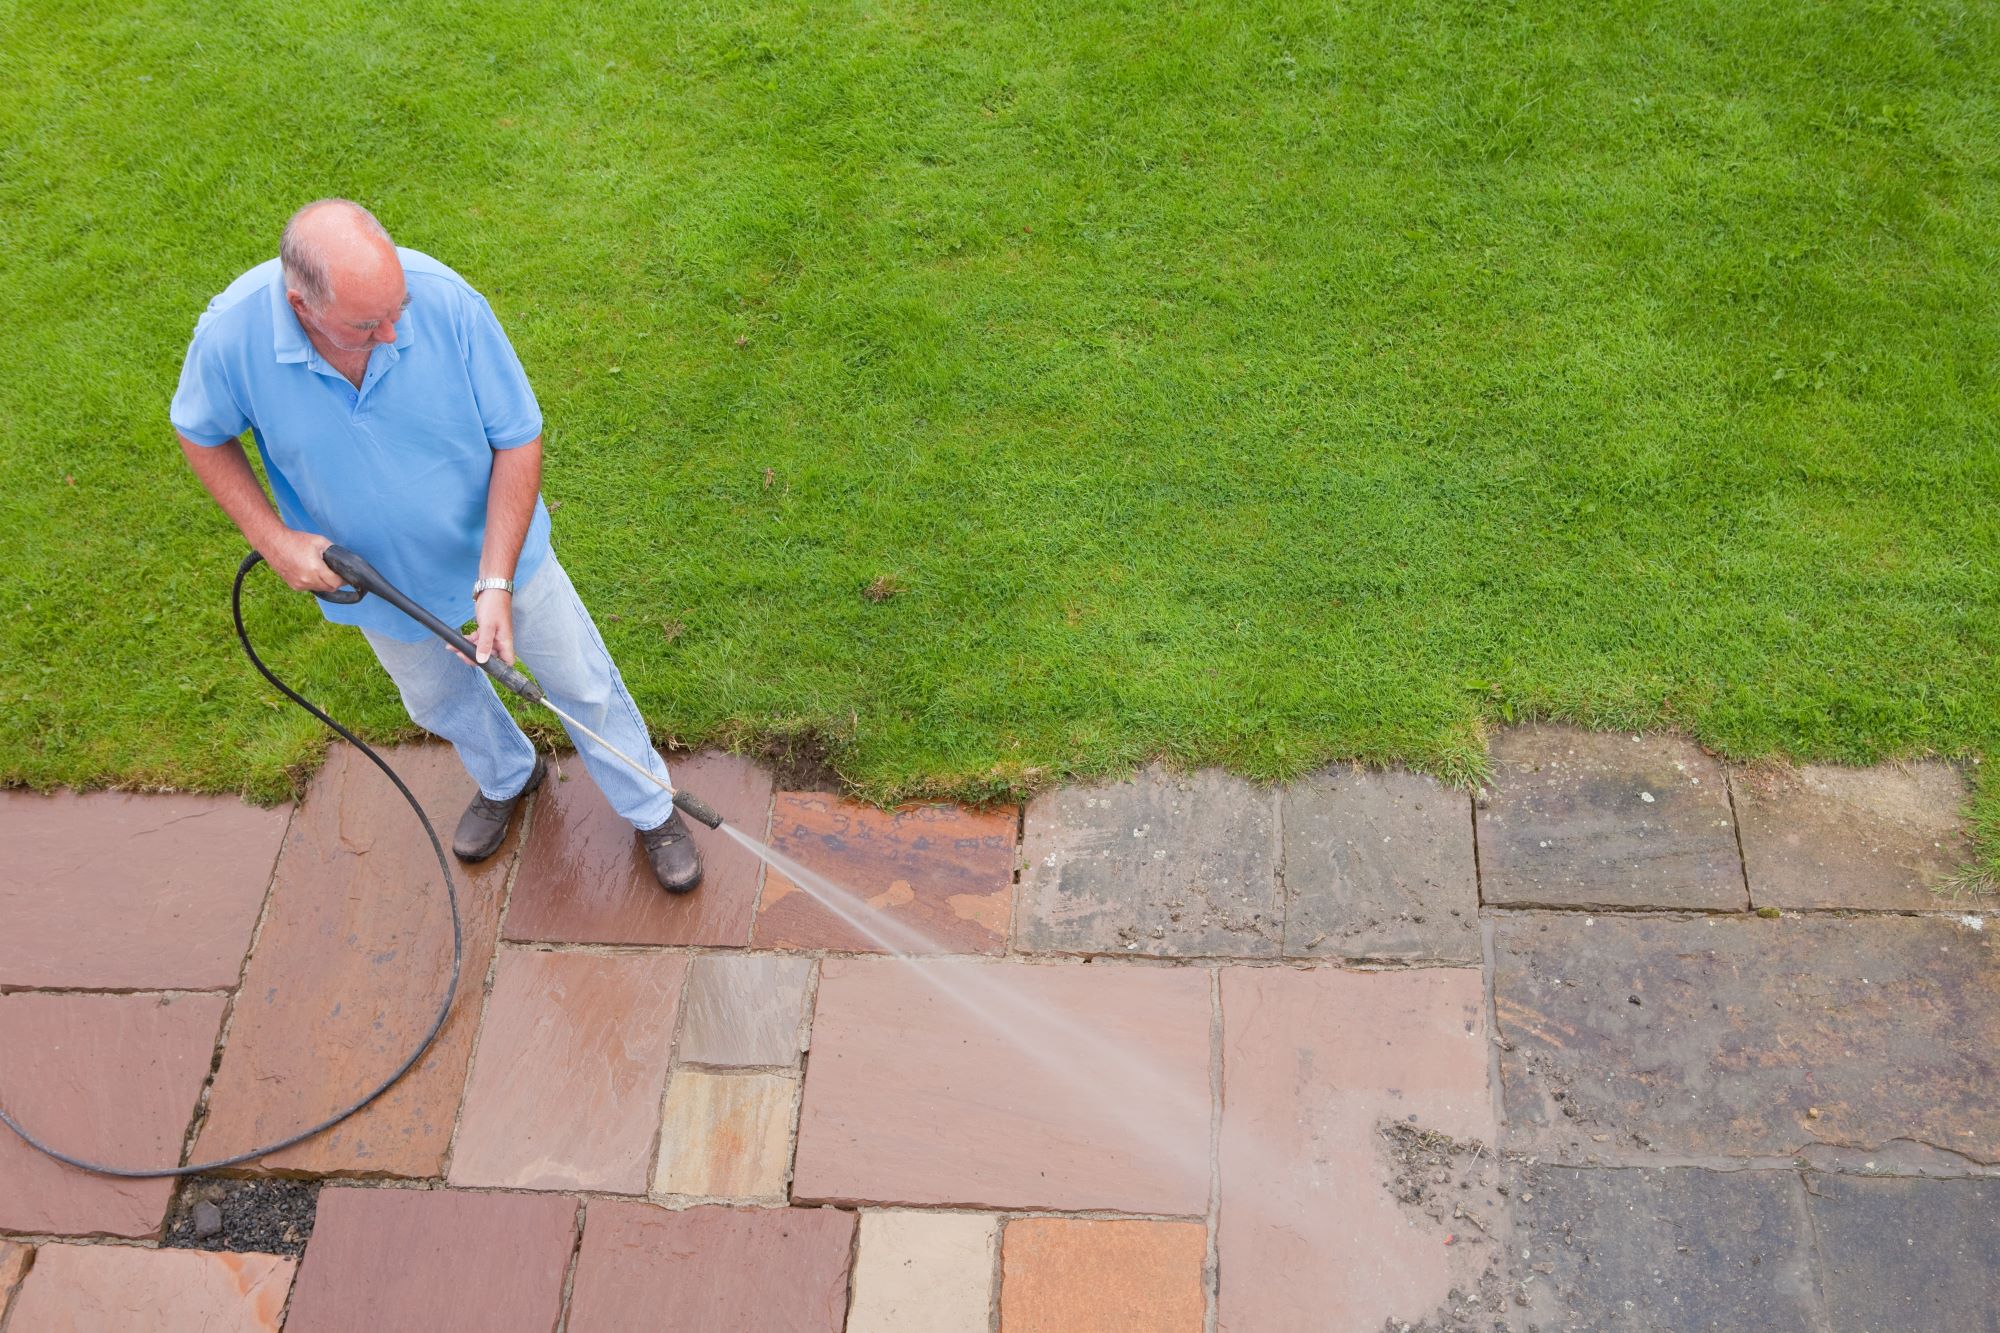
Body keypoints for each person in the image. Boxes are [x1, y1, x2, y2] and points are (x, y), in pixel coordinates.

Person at [170, 198, 701, 892]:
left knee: (579, 681)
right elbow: (200, 431)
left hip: (496, 551)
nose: (394, 332)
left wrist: (496, 580)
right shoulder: (231, 340)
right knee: (437, 699)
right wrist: (273, 541)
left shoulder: (448, 304)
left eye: (399, 307)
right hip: (377, 580)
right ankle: (509, 774)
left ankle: (651, 805)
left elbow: (517, 436)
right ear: (302, 306)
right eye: (367, 324)